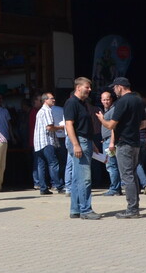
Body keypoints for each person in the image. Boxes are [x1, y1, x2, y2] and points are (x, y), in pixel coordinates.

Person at [103, 77, 146, 219]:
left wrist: (100, 119)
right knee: (132, 175)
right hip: (135, 143)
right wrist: (131, 128)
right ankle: (135, 206)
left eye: (114, 88)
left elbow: (111, 125)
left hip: (124, 143)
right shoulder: (138, 100)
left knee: (127, 176)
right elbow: (143, 124)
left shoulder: (122, 102)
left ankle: (132, 209)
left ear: (120, 87)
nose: (114, 91)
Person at [63, 77, 102, 220]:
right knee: (85, 178)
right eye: (87, 87)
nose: (90, 89)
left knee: (77, 178)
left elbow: (84, 125)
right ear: (78, 87)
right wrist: (76, 144)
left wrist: (92, 143)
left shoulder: (83, 103)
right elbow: (69, 125)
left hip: (85, 140)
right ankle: (86, 210)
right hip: (79, 141)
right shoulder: (71, 103)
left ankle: (75, 209)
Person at [32, 92, 64, 195]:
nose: (54, 100)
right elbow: (49, 127)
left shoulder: (40, 111)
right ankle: (59, 186)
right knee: (53, 163)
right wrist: (62, 127)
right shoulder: (47, 111)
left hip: (38, 142)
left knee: (41, 165)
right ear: (45, 100)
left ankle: (43, 187)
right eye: (51, 98)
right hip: (47, 141)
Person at [95, 90, 122, 196]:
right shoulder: (106, 110)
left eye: (107, 99)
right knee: (111, 164)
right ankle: (116, 187)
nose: (106, 101)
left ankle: (114, 188)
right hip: (106, 140)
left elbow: (113, 127)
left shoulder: (113, 110)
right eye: (104, 99)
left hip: (110, 141)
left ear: (111, 99)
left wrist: (111, 142)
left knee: (111, 165)